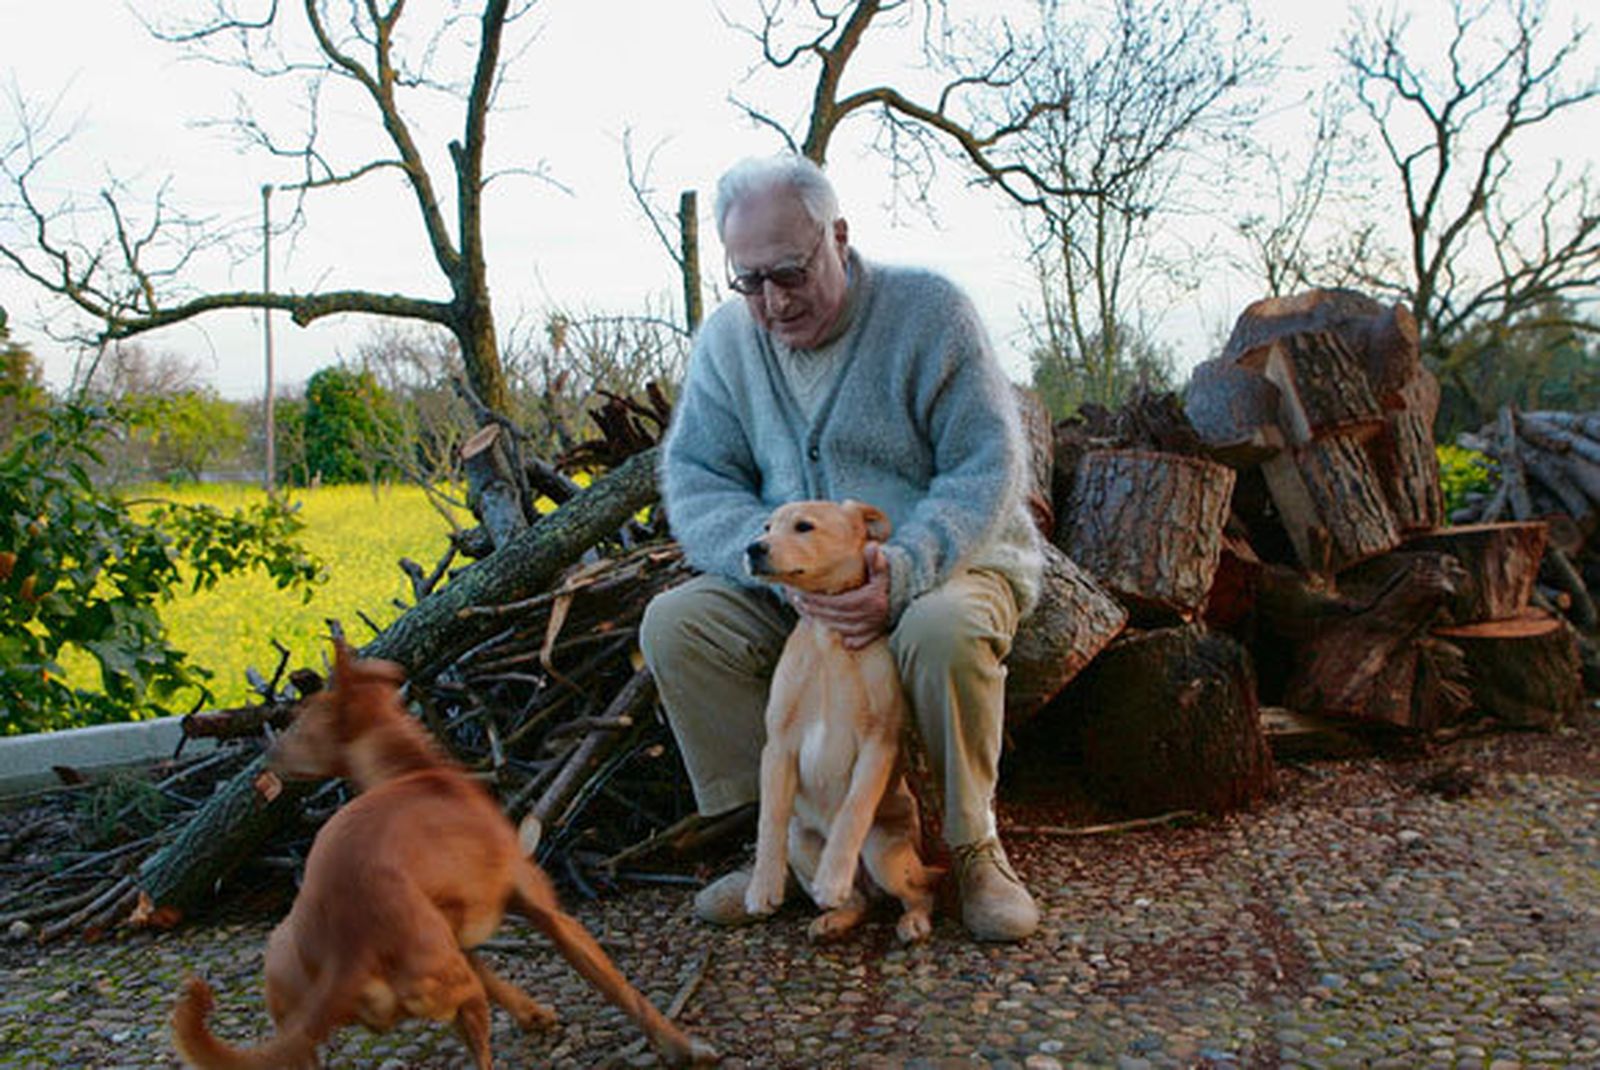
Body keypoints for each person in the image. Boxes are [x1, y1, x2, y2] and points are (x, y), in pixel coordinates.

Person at [640, 153, 1045, 942]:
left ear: (839, 236)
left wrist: (903, 567)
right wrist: (784, 575)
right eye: (748, 281)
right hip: (801, 592)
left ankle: (973, 848)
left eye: (789, 273)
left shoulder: (930, 313)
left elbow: (987, 464)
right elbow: (695, 478)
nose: (772, 301)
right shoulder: (729, 343)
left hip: (945, 566)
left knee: (944, 631)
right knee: (678, 625)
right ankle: (786, 851)